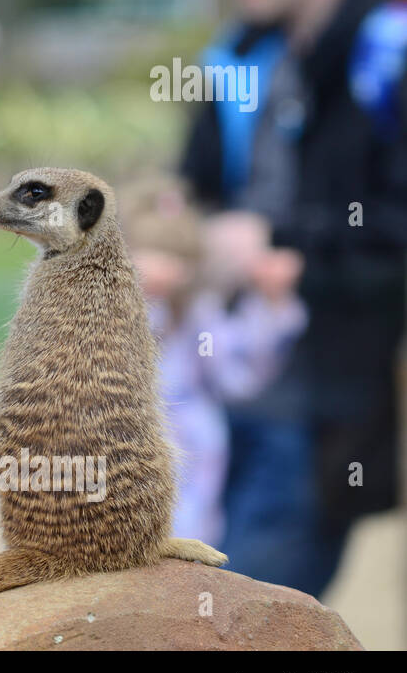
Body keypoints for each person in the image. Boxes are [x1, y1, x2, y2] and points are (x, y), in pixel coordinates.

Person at [180, 0, 407, 596]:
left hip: (321, 419)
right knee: (171, 608)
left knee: (236, 630)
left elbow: (392, 238)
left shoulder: (389, 63)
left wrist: (280, 245)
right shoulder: (237, 58)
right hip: (211, 404)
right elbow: (197, 192)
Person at [123, 178, 306, 548]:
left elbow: (236, 373)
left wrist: (271, 306)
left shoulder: (197, 317)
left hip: (190, 436)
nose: (162, 268)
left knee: (187, 527)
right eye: (151, 253)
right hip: (126, 428)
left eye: (176, 256)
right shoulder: (117, 314)